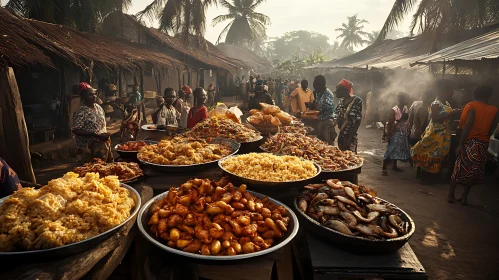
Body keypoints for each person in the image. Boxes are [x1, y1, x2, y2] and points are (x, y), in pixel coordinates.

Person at [448, 86, 499, 205]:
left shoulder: (471, 105)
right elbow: (493, 128)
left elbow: (468, 123)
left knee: (458, 167)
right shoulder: (494, 110)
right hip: (483, 143)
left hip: (469, 141)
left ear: (475, 94)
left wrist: (460, 143)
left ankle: (451, 195)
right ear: (489, 96)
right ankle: (464, 197)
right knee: (473, 170)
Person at [411, 81, 462, 183]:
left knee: (438, 155)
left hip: (444, 133)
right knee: (430, 154)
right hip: (435, 133)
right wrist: (452, 113)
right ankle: (424, 178)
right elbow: (435, 119)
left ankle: (432, 176)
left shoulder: (446, 103)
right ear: (444, 91)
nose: (451, 94)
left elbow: (446, 119)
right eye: (449, 92)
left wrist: (457, 119)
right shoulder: (436, 103)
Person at [72, 82, 113, 163]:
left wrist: (104, 133)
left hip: (102, 145)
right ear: (83, 97)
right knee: (92, 170)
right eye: (90, 94)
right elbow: (75, 130)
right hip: (89, 148)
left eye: (94, 94)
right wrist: (95, 134)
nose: (94, 96)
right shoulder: (81, 111)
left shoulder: (98, 107)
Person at [382, 92, 411, 175]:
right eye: (406, 99)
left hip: (402, 132)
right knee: (390, 149)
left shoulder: (405, 108)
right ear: (400, 100)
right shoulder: (394, 109)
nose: (408, 100)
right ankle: (384, 168)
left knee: (397, 150)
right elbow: (390, 123)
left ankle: (394, 166)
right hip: (395, 132)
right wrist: (389, 134)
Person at [334, 79, 363, 152]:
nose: (336, 92)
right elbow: (336, 115)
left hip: (350, 137)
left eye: (338, 90)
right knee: (342, 158)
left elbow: (357, 121)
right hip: (341, 135)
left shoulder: (357, 100)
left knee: (351, 158)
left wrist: (349, 139)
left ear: (345, 90)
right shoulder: (342, 101)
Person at [310, 75, 336, 145]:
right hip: (320, 120)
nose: (314, 88)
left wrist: (315, 106)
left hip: (327, 122)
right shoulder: (319, 93)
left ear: (321, 85)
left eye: (315, 86)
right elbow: (317, 104)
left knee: (326, 144)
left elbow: (326, 106)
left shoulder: (328, 94)